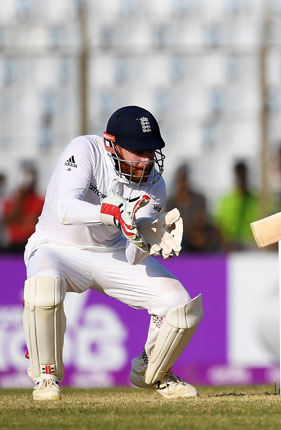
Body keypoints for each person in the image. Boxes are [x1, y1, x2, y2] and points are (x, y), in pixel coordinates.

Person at [22, 106, 203, 401]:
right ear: (111, 143)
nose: (146, 160)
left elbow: (132, 257)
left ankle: (151, 370)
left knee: (179, 303)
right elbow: (66, 209)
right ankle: (46, 376)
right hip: (56, 247)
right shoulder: (84, 150)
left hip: (111, 253)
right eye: (137, 151)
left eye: (150, 151)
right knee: (44, 288)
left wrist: (147, 242)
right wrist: (112, 212)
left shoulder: (155, 185)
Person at [165, 163, 220, 252]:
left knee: (208, 237)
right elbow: (169, 225)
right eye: (181, 180)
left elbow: (200, 220)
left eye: (184, 180)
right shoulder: (171, 203)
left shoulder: (199, 199)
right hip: (180, 236)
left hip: (196, 233)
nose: (183, 184)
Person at [213, 160, 260, 250]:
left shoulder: (256, 201)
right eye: (239, 178)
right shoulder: (225, 201)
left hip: (252, 244)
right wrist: (226, 242)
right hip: (229, 245)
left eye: (243, 178)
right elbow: (218, 226)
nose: (241, 181)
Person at [2, 162, 45, 253]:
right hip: (13, 244)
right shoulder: (11, 201)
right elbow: (10, 220)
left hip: (32, 244)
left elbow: (34, 222)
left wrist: (21, 221)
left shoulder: (40, 201)